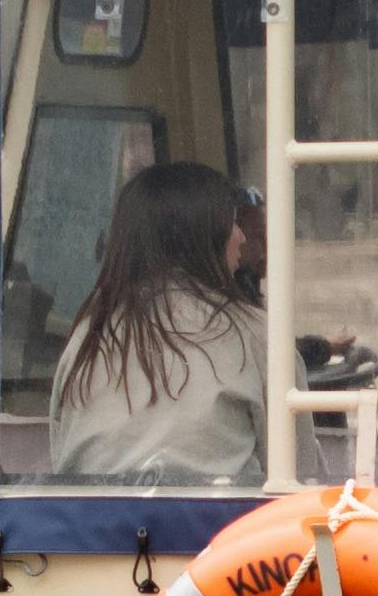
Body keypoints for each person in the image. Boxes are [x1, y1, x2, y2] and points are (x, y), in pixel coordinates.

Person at [49, 161, 266, 484]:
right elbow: (296, 476)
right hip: (219, 530)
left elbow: (62, 458)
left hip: (90, 531)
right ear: (203, 235)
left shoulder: (85, 338)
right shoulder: (255, 333)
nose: (242, 237)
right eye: (233, 222)